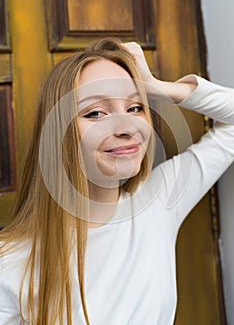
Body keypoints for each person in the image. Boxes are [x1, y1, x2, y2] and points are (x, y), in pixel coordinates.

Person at [0, 37, 234, 325]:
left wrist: (156, 87)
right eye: (95, 112)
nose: (126, 127)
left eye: (135, 108)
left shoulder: (158, 200)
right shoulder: (10, 262)